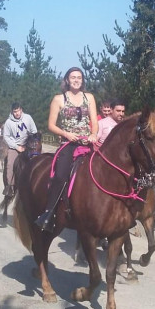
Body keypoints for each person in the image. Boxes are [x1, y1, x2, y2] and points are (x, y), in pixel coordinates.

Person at [35, 67, 98, 231]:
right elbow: (51, 125)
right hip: (68, 144)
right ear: (67, 80)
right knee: (60, 175)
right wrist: (66, 134)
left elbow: (94, 121)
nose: (76, 80)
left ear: (82, 80)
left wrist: (94, 133)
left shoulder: (89, 97)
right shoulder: (58, 99)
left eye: (79, 77)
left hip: (87, 142)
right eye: (73, 77)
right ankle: (49, 213)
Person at [2, 102, 38, 198]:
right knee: (10, 164)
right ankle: (10, 186)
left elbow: (34, 131)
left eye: (18, 111)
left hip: (28, 145)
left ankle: (39, 182)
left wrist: (30, 142)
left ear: (21, 110)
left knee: (38, 159)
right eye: (15, 112)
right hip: (15, 147)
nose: (17, 113)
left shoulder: (28, 118)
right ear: (12, 112)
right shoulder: (8, 122)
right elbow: (6, 137)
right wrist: (16, 147)